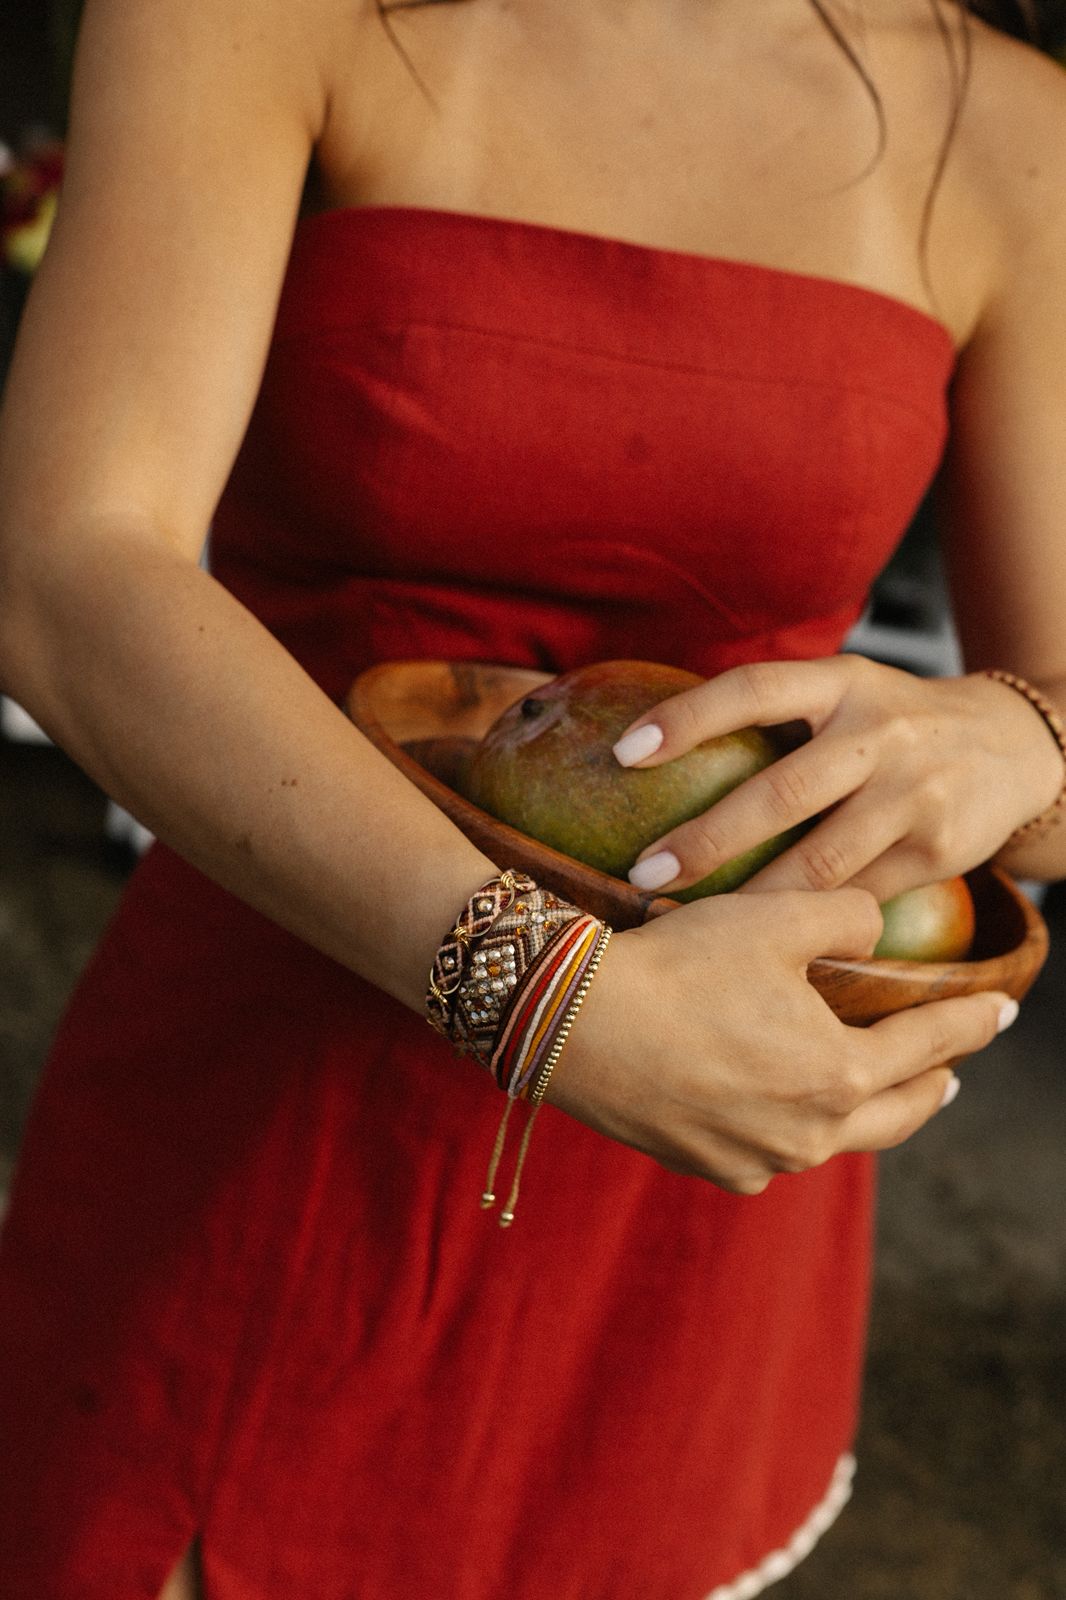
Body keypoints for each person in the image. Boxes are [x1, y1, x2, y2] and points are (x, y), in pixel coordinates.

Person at [1, 0, 1065, 1595]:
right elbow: (71, 571)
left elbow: (1053, 759)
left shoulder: (1017, 130)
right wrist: (535, 987)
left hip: (700, 1187)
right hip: (268, 1121)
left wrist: (1024, 739)